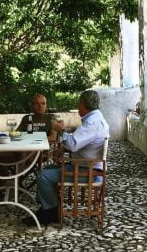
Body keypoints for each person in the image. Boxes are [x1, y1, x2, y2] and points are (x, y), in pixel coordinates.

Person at [22, 89, 110, 225]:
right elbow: (80, 142)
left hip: (87, 171)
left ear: (82, 104)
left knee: (43, 176)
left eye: (78, 103)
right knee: (47, 169)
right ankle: (46, 208)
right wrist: (63, 148)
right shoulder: (97, 119)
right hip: (89, 167)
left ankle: (50, 213)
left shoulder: (92, 123)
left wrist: (61, 130)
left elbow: (73, 144)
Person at [0, 94, 57, 186]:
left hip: (39, 153)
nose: (41, 106)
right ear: (32, 106)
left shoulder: (51, 118)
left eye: (43, 103)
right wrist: (10, 134)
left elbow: (53, 137)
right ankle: (4, 185)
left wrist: (32, 139)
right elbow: (16, 134)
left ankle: (16, 180)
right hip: (20, 151)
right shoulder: (26, 118)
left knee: (23, 151)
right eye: (37, 104)